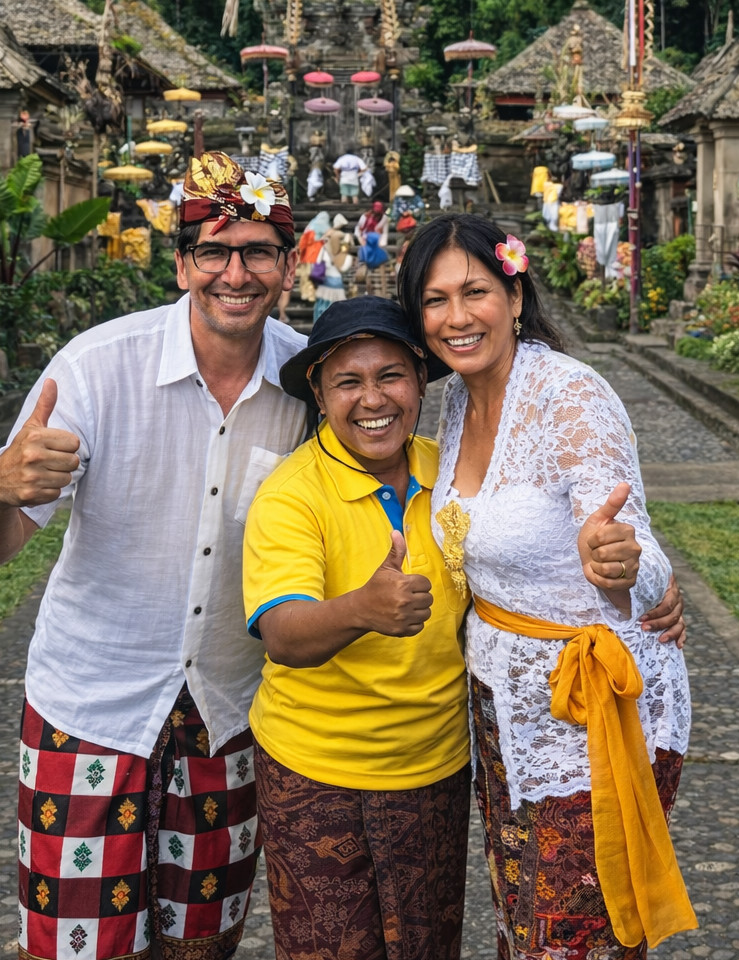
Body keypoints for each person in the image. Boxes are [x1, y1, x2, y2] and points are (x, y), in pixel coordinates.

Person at [0, 151, 307, 960]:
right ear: (182, 265)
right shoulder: (97, 368)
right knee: (78, 947)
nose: (235, 274)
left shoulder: (308, 384)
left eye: (258, 252)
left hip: (229, 713)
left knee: (202, 947)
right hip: (90, 706)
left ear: (289, 267)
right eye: (214, 252)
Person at [396, 213, 697, 960]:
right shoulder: (457, 397)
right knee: (521, 912)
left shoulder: (570, 396)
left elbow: (632, 542)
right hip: (502, 702)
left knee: (575, 934)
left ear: (516, 295)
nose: (456, 317)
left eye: (475, 292)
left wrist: (623, 565)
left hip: (590, 706)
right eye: (434, 300)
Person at [241, 296, 468, 960]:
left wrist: (647, 587)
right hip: (317, 774)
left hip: (435, 765)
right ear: (319, 394)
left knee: (429, 947)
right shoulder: (291, 495)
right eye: (348, 382)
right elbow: (284, 634)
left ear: (420, 380)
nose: (373, 399)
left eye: (391, 375)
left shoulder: (451, 473)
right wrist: (362, 609)